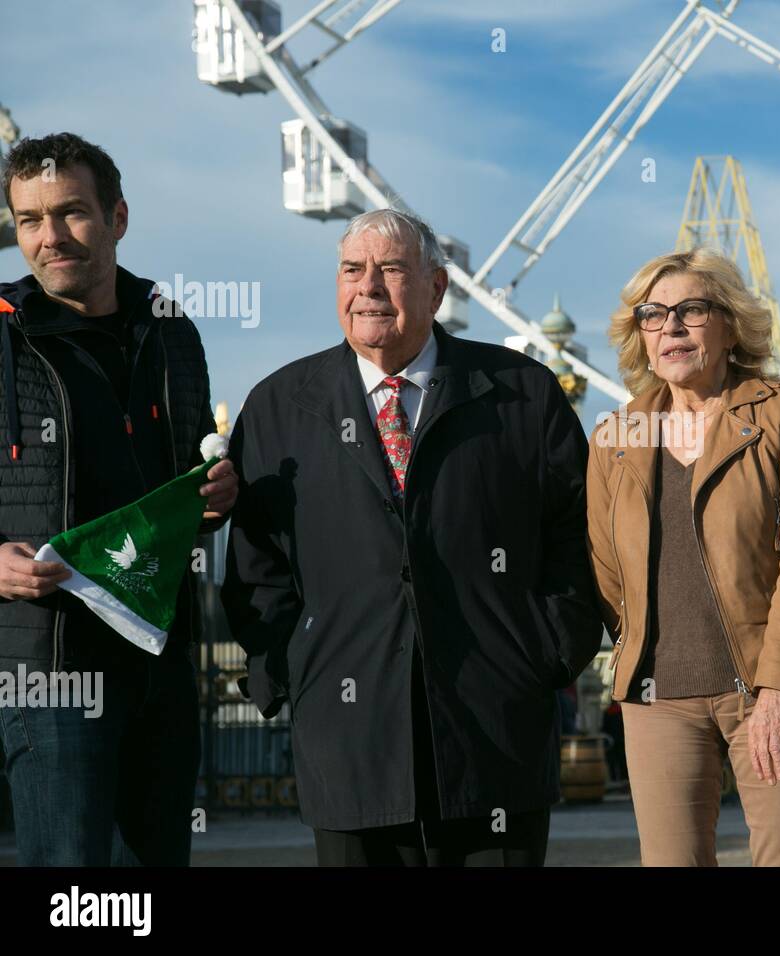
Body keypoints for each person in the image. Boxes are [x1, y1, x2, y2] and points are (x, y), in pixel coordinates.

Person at [222, 207, 603, 866]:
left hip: (495, 738)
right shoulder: (279, 407)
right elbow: (257, 565)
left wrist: (548, 653)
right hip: (348, 742)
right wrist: (289, 677)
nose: (368, 286)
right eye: (352, 269)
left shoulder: (522, 396)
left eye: (391, 269)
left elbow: (581, 536)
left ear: (437, 289)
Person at [0, 132, 236, 865]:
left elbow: (195, 474)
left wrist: (219, 496)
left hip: (159, 659)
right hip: (48, 666)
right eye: (29, 220)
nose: (48, 237)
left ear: (118, 217)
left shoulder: (173, 333)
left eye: (70, 213)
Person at [586, 249, 780, 866]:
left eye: (691, 310)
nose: (670, 327)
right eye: (653, 315)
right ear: (639, 334)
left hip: (768, 687)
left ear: (730, 324)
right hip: (658, 697)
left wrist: (779, 685)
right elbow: (604, 569)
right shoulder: (614, 438)